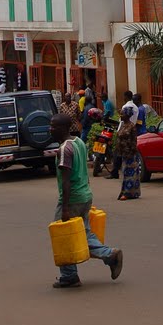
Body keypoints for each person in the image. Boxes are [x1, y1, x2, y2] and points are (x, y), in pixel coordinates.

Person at [50, 113, 123, 289]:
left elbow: (66, 181)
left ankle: (70, 275)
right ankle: (108, 255)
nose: (50, 129)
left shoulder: (64, 149)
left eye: (53, 126)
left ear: (62, 128)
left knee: (64, 235)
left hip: (72, 198)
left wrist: (65, 208)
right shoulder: (78, 142)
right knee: (84, 233)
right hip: (85, 195)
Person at [107, 92, 138, 179]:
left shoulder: (125, 108)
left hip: (126, 144)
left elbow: (121, 122)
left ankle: (116, 172)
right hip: (124, 145)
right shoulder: (135, 107)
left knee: (118, 157)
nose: (121, 115)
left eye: (122, 114)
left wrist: (118, 132)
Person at [116, 106, 141, 201]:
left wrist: (131, 153)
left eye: (122, 114)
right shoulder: (122, 125)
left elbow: (134, 141)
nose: (121, 116)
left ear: (127, 115)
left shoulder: (132, 126)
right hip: (123, 153)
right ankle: (129, 192)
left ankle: (127, 193)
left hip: (130, 153)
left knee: (129, 174)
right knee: (125, 173)